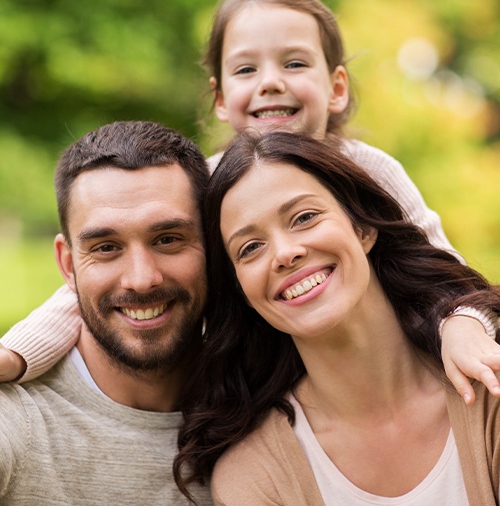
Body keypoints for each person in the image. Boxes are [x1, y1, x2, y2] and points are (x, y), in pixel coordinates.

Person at [0, 0, 498, 404]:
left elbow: (447, 274)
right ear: (220, 98)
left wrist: (464, 327)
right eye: (246, 69)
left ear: (337, 87)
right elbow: (92, 286)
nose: (270, 83)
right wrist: (17, 354)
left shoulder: (368, 171)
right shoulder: (210, 183)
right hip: (265, 391)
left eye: (295, 64)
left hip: (383, 378)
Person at [175, 130, 500, 505]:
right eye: (250, 248)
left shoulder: (489, 387)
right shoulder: (256, 475)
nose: (285, 253)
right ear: (242, 292)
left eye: (304, 217)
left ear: (362, 227)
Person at [0, 121, 213, 504]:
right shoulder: (16, 420)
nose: (141, 279)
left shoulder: (265, 403)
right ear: (68, 265)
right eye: (105, 247)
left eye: (168, 239)